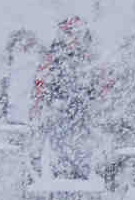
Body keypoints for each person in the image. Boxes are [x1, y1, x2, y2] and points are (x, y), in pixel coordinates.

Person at [30, 16, 102, 179]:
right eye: (69, 33)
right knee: (62, 149)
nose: (73, 38)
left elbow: (95, 84)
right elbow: (42, 83)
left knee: (78, 150)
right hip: (62, 111)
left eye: (76, 34)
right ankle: (64, 173)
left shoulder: (85, 57)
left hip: (77, 112)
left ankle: (75, 174)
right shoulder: (55, 57)